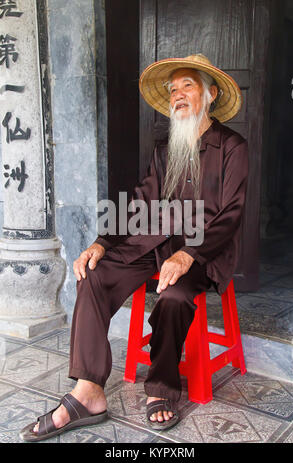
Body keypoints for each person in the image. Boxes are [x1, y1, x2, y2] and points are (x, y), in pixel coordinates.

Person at [20, 53, 249, 441]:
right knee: (94, 274)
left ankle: (161, 388)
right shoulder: (165, 148)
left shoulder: (232, 146)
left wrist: (188, 253)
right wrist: (102, 242)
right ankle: (88, 390)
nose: (177, 95)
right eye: (172, 89)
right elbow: (141, 203)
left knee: (175, 297)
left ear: (209, 94)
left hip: (204, 249)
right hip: (155, 241)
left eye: (186, 86)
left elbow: (231, 214)